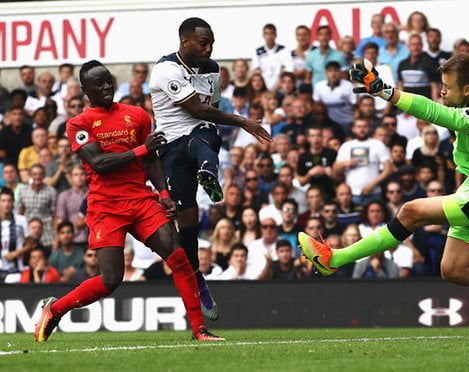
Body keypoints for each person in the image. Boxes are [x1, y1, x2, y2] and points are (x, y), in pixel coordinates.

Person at [300, 9, 469, 326]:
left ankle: (334, 258)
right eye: (441, 85)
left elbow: (434, 113)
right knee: (454, 270)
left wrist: (385, 91)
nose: (442, 91)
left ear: (467, 92)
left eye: (447, 87)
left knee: (411, 211)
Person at [34, 60, 223, 342]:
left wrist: (165, 194)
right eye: (99, 84)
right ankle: (55, 310)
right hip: (105, 207)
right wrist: (140, 150)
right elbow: (98, 163)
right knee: (111, 280)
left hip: (140, 199)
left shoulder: (136, 115)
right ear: (87, 90)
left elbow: (152, 158)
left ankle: (199, 330)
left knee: (179, 258)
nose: (107, 86)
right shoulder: (79, 124)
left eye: (109, 80)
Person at [149, 17, 271, 318]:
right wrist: (243, 121)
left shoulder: (213, 69)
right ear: (184, 42)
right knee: (187, 221)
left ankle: (208, 171)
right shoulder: (166, 69)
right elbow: (196, 107)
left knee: (202, 138)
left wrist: (232, 121)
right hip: (171, 145)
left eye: (212, 43)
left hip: (201, 134)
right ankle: (197, 279)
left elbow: (210, 112)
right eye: (203, 43)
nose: (209, 49)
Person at [17, 164, 57, 249]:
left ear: (43, 175)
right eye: (34, 174)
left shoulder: (51, 191)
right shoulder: (23, 191)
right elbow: (20, 213)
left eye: (40, 174)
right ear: (30, 175)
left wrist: (56, 238)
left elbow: (55, 216)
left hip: (47, 233)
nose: (37, 177)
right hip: (28, 232)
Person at [251, 24, 293, 92]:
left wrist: (275, 88)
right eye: (267, 34)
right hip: (263, 90)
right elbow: (256, 72)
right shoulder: (258, 52)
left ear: (276, 35)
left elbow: (287, 71)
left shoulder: (284, 50)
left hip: (280, 89)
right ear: (263, 35)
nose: (269, 36)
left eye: (271, 33)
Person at [0, 187, 29, 281]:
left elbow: (30, 244)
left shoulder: (21, 220)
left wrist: (16, 253)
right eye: (3, 201)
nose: (6, 204)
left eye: (9, 201)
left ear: (13, 202)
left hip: (16, 269)